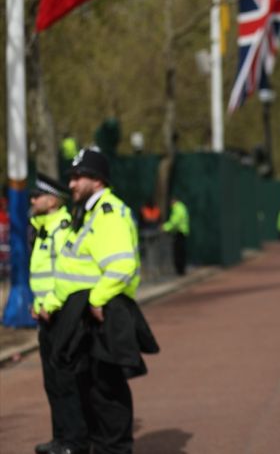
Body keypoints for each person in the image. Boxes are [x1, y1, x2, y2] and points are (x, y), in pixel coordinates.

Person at [42, 147, 158, 454]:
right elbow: (74, 266)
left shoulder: (108, 212)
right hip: (84, 310)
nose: (71, 184)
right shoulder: (87, 212)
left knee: (106, 388)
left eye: (78, 177)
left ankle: (115, 449)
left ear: (97, 180)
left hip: (103, 309)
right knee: (89, 386)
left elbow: (122, 265)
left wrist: (96, 299)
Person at [28, 173, 79, 454]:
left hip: (59, 314)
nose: (32, 200)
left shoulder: (62, 228)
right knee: (52, 381)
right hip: (45, 314)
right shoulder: (42, 228)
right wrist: (38, 305)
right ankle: (61, 438)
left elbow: (65, 273)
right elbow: (42, 275)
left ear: (52, 201)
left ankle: (73, 441)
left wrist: (49, 304)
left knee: (65, 379)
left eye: (37, 196)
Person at [162, 197, 190, 275]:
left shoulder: (177, 208)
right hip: (182, 232)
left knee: (178, 252)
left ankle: (180, 270)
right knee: (181, 252)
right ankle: (181, 270)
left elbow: (174, 221)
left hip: (179, 232)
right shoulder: (181, 207)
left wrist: (165, 227)